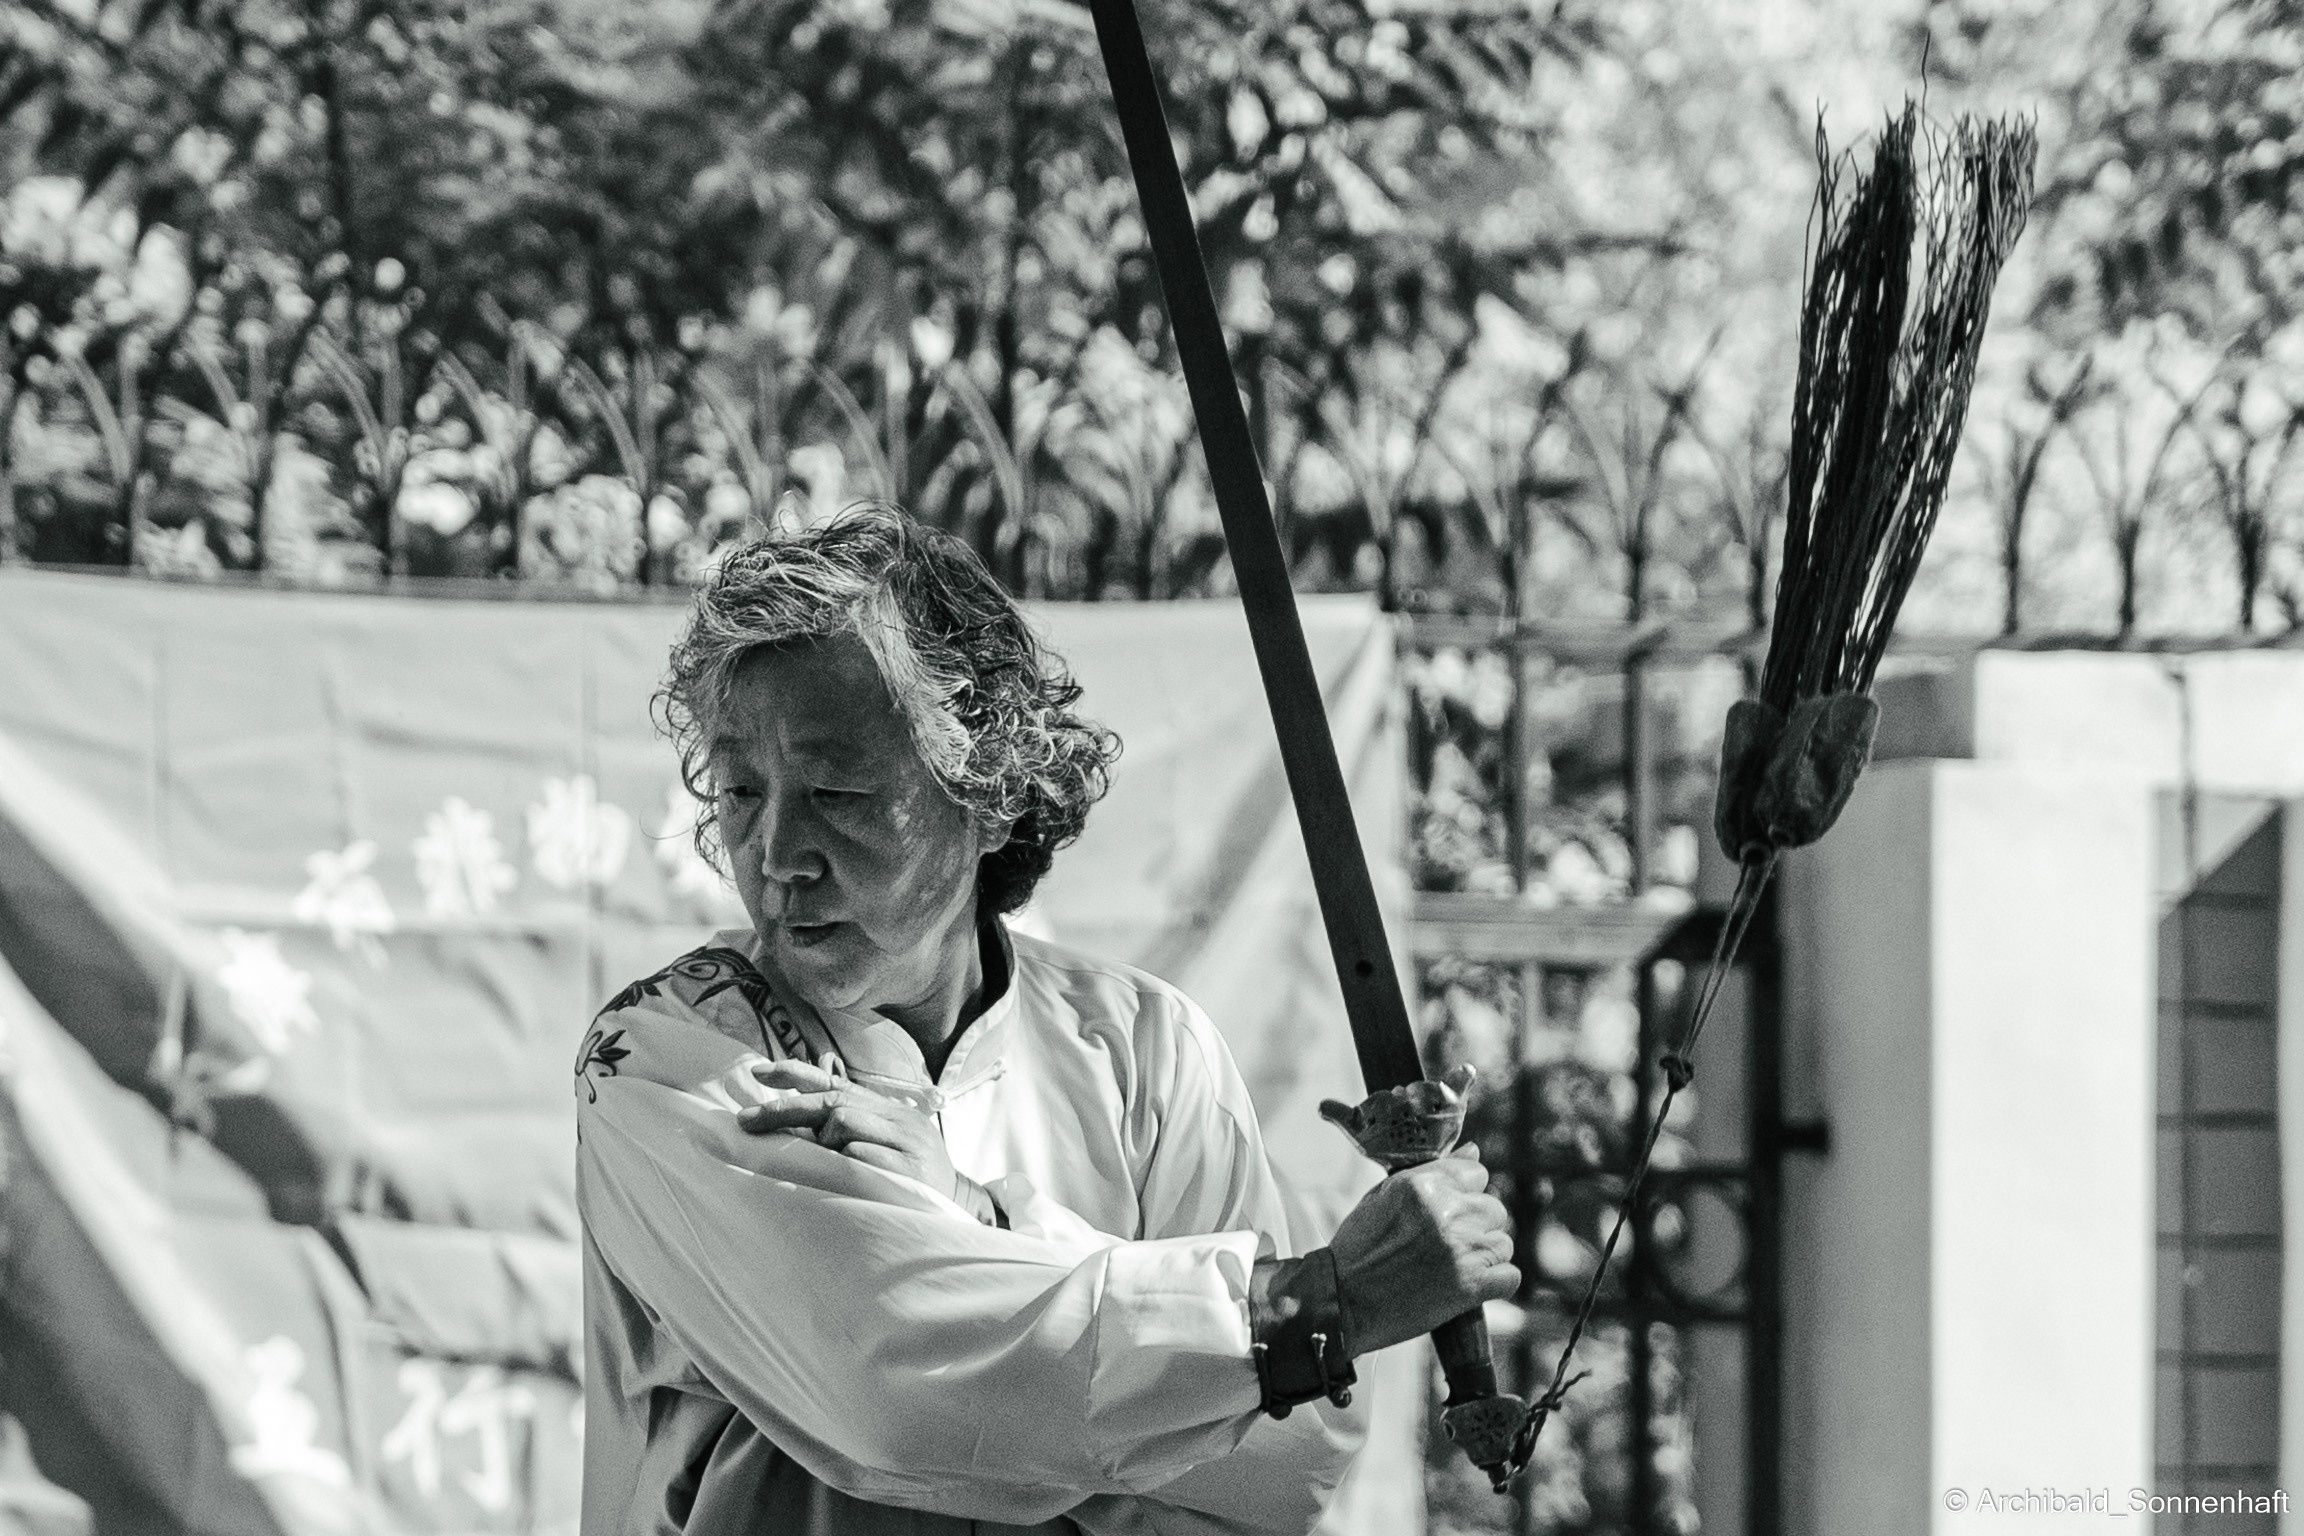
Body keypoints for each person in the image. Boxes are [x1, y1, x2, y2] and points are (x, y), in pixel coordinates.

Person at [574, 505, 1518, 1536]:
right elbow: (896, 1388)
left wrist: (993, 1220)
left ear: (985, 791)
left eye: (838, 790)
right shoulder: (672, 1055)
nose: (777, 852)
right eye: (743, 792)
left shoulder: (1146, 1053)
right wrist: (1301, 1310)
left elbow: (1293, 1459)